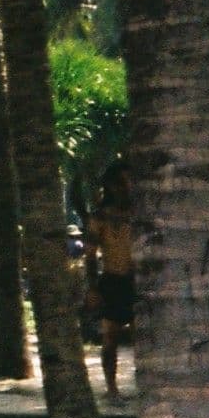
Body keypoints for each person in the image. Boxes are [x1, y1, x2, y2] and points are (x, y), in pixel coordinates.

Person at [84, 170, 137, 398]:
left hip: (138, 282)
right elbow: (89, 255)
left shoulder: (140, 215)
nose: (124, 188)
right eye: (119, 184)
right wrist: (92, 288)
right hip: (112, 280)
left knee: (142, 339)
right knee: (110, 338)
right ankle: (112, 388)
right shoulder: (100, 217)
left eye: (127, 183)